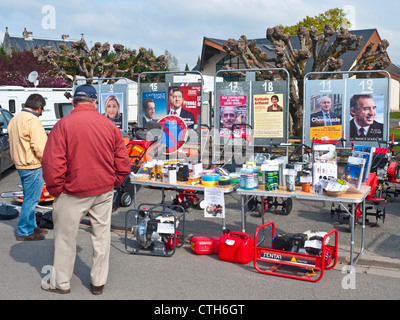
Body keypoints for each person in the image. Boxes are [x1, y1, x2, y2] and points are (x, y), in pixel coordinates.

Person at [41, 84, 131, 295]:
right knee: (101, 237)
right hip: (102, 191)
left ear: (73, 102)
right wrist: (114, 182)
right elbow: (123, 162)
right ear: (95, 102)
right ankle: (98, 283)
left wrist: (57, 190)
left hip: (72, 192)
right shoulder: (109, 126)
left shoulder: (62, 125)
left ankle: (61, 283)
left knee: (65, 239)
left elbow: (53, 162)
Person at [7, 94, 48, 241]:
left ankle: (31, 226)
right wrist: (48, 162)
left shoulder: (15, 118)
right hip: (32, 165)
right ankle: (24, 231)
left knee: (29, 199)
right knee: (31, 201)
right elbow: (40, 147)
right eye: (42, 110)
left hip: (20, 164)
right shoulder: (33, 120)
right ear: (38, 108)